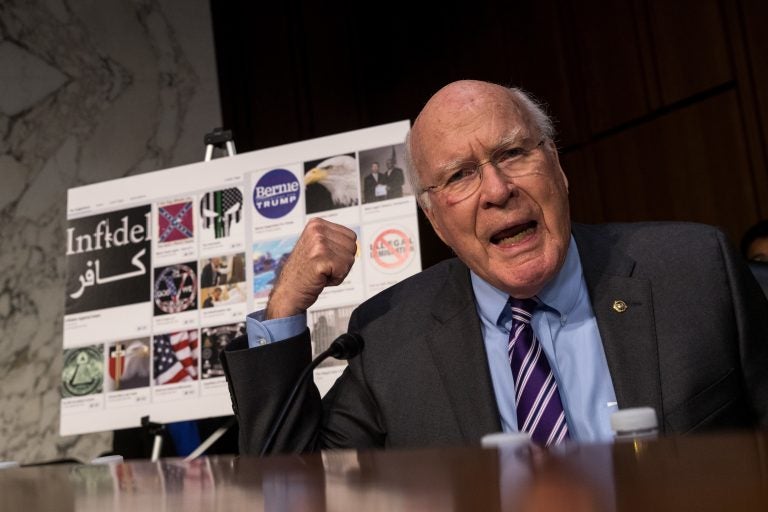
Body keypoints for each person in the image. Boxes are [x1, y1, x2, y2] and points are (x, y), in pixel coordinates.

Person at [222, 80, 768, 456]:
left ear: (556, 165)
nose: (498, 190)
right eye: (459, 175)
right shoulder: (391, 338)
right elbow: (292, 488)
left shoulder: (696, 272)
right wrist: (284, 307)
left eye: (512, 154)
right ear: (435, 220)